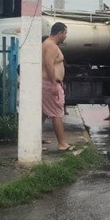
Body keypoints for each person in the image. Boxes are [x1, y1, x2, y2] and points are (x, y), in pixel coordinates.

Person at [42, 22, 74, 152]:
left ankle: (35, 140)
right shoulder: (51, 46)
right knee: (57, 113)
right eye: (65, 33)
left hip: (48, 82)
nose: (65, 36)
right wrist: (55, 85)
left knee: (42, 114)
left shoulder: (46, 44)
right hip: (50, 84)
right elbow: (49, 65)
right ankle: (62, 143)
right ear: (60, 33)